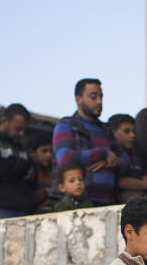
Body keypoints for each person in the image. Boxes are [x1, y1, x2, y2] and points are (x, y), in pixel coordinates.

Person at [52, 78, 128, 206]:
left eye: (101, 97)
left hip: (109, 203)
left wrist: (109, 161)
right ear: (78, 99)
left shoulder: (106, 130)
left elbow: (126, 164)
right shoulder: (66, 125)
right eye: (93, 97)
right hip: (76, 205)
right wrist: (102, 153)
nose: (99, 102)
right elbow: (65, 157)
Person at [0, 103, 37, 221]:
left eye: (24, 130)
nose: (21, 134)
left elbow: (32, 172)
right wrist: (22, 166)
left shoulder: (21, 147)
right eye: (18, 129)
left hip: (23, 211)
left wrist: (16, 166)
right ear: (4, 121)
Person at [109, 113, 147, 203]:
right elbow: (119, 182)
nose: (132, 135)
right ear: (113, 132)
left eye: (134, 131)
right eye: (126, 131)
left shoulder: (137, 156)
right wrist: (146, 185)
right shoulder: (111, 156)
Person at [25, 129, 55, 213]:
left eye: (51, 151)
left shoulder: (53, 173)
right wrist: (44, 192)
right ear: (31, 152)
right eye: (44, 151)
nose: (49, 155)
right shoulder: (27, 173)